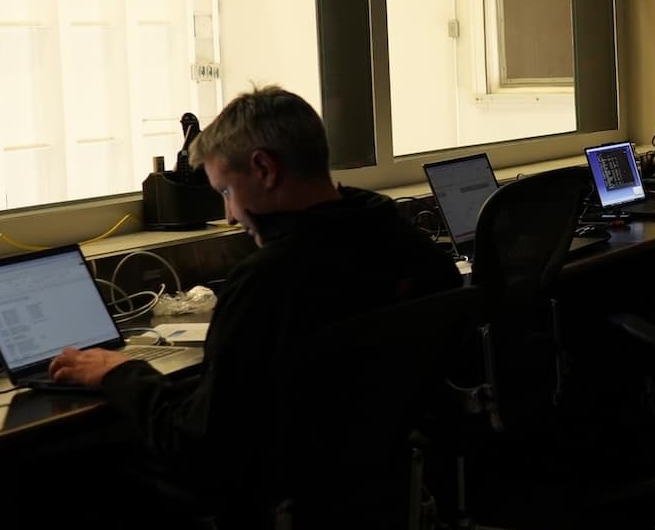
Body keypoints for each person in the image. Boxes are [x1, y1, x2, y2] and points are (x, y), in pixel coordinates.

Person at [46, 86, 461, 499]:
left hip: (272, 500)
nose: (229, 217)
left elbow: (199, 447)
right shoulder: (400, 239)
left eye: (226, 191)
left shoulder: (268, 281)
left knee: (64, 480)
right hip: (378, 484)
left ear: (264, 168)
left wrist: (121, 373)